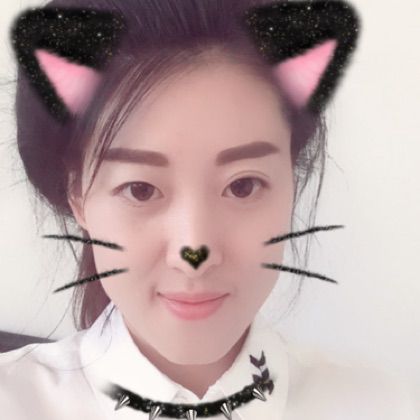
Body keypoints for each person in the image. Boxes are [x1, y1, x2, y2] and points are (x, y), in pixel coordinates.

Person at [0, 0, 418, 419]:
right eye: (141, 190)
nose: (194, 251)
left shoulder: (385, 408)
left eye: (243, 185)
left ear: (290, 181)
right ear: (77, 196)